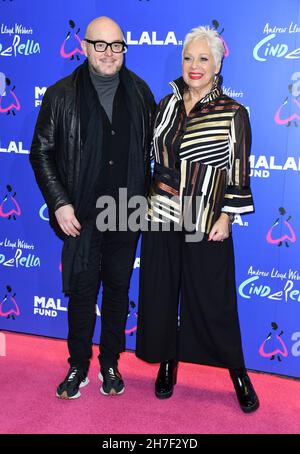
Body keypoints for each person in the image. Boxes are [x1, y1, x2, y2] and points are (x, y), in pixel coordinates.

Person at [30, 16, 155, 399]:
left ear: (124, 50)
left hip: (127, 210)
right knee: (83, 292)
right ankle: (78, 366)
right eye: (100, 45)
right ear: (84, 47)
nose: (108, 53)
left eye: (116, 45)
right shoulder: (61, 95)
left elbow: (157, 151)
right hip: (81, 213)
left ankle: (111, 364)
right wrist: (59, 203)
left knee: (118, 290)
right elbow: (41, 153)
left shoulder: (140, 92)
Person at [136, 25, 259, 413]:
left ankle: (237, 371)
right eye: (188, 57)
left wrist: (227, 217)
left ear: (217, 64)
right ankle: (168, 362)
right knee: (161, 292)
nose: (194, 66)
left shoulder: (233, 112)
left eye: (203, 58)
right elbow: (150, 157)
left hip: (206, 218)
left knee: (213, 299)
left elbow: (239, 171)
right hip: (161, 214)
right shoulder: (166, 104)